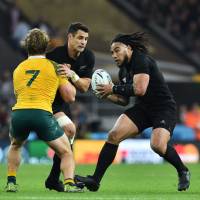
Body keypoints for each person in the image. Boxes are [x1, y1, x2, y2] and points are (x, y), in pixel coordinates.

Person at [75, 32, 190, 192]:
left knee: (157, 145)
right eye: (112, 52)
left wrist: (112, 88)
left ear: (129, 48)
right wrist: (107, 94)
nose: (114, 55)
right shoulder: (123, 71)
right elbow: (123, 101)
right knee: (113, 136)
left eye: (117, 50)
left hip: (163, 108)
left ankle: (182, 170)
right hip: (143, 109)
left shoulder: (140, 59)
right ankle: (95, 180)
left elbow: (140, 89)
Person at [5, 28, 82, 193]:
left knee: (15, 145)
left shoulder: (18, 68)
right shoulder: (54, 66)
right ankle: (68, 183)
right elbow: (70, 97)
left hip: (19, 113)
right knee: (66, 152)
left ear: (27, 46)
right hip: (42, 114)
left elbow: (17, 93)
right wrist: (69, 77)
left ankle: (11, 182)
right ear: (47, 46)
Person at [45, 22, 95, 192]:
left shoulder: (88, 57)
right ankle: (62, 178)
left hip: (61, 103)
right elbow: (69, 93)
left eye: (86, 39)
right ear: (70, 37)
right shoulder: (53, 56)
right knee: (68, 132)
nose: (83, 42)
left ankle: (55, 179)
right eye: (80, 37)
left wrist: (72, 74)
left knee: (69, 132)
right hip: (46, 100)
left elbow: (85, 86)